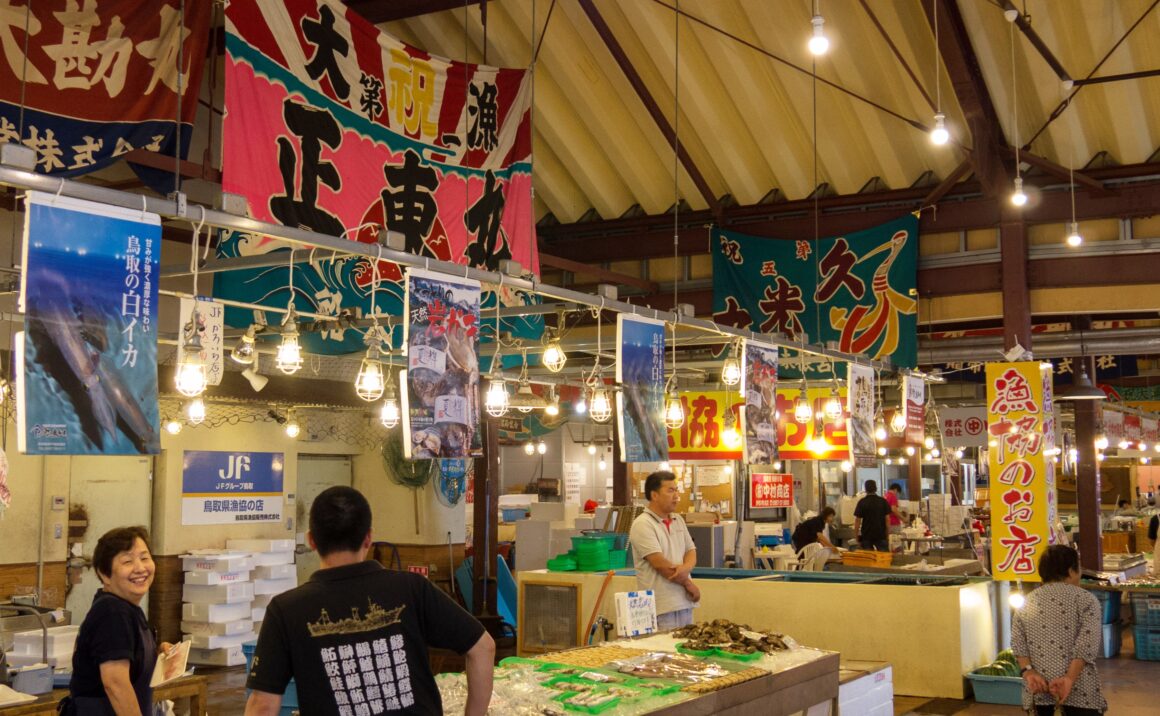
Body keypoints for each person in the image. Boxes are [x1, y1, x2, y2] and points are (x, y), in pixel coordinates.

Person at [245, 486, 495, 715]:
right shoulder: (411, 588)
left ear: (311, 540)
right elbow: (483, 646)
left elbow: (264, 704)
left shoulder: (286, 609)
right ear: (368, 538)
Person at [69, 526, 168, 715]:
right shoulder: (112, 612)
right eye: (127, 561)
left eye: (145, 558)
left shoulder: (127, 607)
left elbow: (129, 663)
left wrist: (158, 655)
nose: (140, 568)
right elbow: (115, 683)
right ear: (105, 574)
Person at [1012, 545, 1107, 715]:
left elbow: (1018, 644)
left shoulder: (1026, 602)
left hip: (1038, 692)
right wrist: (1069, 678)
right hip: (1080, 692)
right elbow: (1086, 645)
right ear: (1071, 571)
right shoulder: (1087, 600)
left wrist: (1029, 672)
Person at [628, 471, 699, 630]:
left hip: (685, 603)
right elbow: (661, 565)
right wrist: (688, 583)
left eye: (676, 490)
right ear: (654, 495)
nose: (676, 496)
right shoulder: (643, 524)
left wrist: (685, 568)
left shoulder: (678, 519)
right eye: (670, 490)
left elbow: (691, 551)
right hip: (660, 608)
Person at [853, 480, 891, 551]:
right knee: (883, 559)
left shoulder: (862, 502)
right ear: (876, 488)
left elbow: (857, 521)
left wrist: (856, 536)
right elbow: (887, 520)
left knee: (869, 559)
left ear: (865, 489)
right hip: (881, 535)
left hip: (866, 536)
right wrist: (887, 535)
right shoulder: (883, 501)